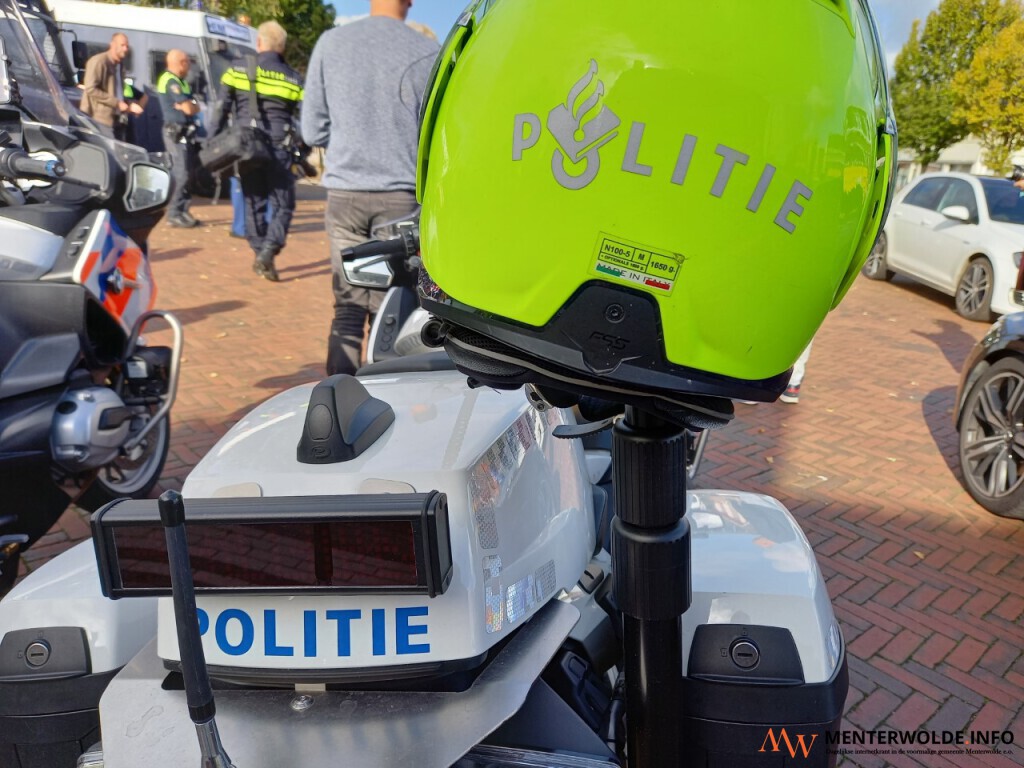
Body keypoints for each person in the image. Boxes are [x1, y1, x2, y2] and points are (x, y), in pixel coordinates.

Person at [301, 0, 439, 376]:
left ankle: (337, 400)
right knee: (392, 307)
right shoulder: (428, 52)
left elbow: (312, 130)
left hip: (346, 195)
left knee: (347, 306)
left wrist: (351, 142)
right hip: (400, 197)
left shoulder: (331, 43)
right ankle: (390, 399)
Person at [211, 20, 303, 281]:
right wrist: (303, 148)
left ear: (259, 43)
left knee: (253, 201)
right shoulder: (294, 77)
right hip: (280, 148)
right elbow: (305, 121)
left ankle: (260, 252)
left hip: (247, 148)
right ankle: (268, 252)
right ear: (282, 47)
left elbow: (220, 109)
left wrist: (212, 141)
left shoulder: (235, 70)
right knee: (283, 204)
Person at [157, 49, 201, 228]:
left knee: (188, 173)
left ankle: (183, 210)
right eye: (188, 62)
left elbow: (194, 106)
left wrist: (189, 105)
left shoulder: (181, 82)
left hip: (184, 132)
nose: (189, 66)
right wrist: (189, 105)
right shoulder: (170, 81)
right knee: (180, 173)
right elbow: (190, 108)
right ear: (181, 63)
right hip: (174, 132)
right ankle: (174, 213)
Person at [80, 32, 144, 141]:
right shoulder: (99, 62)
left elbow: (117, 93)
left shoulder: (119, 65)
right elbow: (91, 89)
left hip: (117, 120)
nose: (125, 49)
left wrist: (128, 105)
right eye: (122, 45)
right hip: (99, 120)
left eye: (127, 46)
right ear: (112, 45)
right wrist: (117, 103)